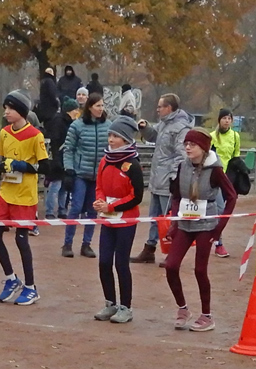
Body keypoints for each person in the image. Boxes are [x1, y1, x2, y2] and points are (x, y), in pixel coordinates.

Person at [164, 128, 237, 332]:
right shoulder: (183, 167)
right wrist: (174, 221)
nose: (187, 147)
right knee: (171, 265)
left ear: (203, 148)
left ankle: (207, 316)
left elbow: (231, 197)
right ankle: (182, 308)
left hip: (206, 225)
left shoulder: (215, 170)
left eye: (192, 145)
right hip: (185, 224)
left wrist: (219, 228)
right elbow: (177, 195)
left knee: (199, 270)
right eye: (186, 144)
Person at [0, 90, 50, 306]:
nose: (6, 112)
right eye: (5, 108)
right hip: (7, 192)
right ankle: (11, 278)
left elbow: (45, 166)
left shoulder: (35, 135)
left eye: (11, 108)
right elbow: (3, 158)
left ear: (22, 111)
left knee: (21, 239)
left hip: (24, 195)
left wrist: (21, 166)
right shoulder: (4, 133)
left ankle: (31, 288)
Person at [91, 116, 143, 324]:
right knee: (104, 262)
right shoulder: (105, 160)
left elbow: (136, 196)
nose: (111, 140)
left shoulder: (133, 165)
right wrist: (99, 201)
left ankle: (126, 307)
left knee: (121, 263)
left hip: (126, 221)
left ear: (126, 139)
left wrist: (112, 206)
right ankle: (109, 303)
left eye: (116, 136)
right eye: (110, 135)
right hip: (107, 219)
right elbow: (99, 185)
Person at [131, 94, 193, 266]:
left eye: (160, 106)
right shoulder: (164, 124)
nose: (157, 109)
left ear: (169, 108)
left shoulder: (182, 128)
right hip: (157, 179)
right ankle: (149, 249)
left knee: (169, 219)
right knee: (154, 217)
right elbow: (153, 136)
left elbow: (181, 156)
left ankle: (173, 253)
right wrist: (145, 128)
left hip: (168, 181)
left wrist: (174, 178)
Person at [62, 93, 110, 258]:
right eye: (98, 106)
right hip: (80, 173)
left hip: (99, 176)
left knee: (92, 210)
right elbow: (68, 149)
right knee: (75, 208)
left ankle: (86, 244)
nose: (101, 109)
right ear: (89, 107)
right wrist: (69, 169)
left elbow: (111, 148)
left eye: (102, 106)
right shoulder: (77, 125)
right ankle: (67, 243)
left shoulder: (108, 126)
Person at [209, 108, 239, 258]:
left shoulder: (235, 136)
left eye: (229, 118)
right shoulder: (212, 136)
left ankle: (213, 239)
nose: (227, 120)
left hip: (228, 178)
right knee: (219, 210)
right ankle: (218, 243)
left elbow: (236, 156)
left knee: (222, 210)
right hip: (214, 177)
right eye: (224, 118)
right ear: (219, 120)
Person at [44, 98, 80, 219]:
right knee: (55, 186)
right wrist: (56, 159)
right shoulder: (58, 121)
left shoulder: (71, 122)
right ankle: (49, 211)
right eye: (75, 109)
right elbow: (55, 141)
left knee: (63, 187)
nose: (77, 112)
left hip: (65, 157)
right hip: (57, 158)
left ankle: (62, 210)